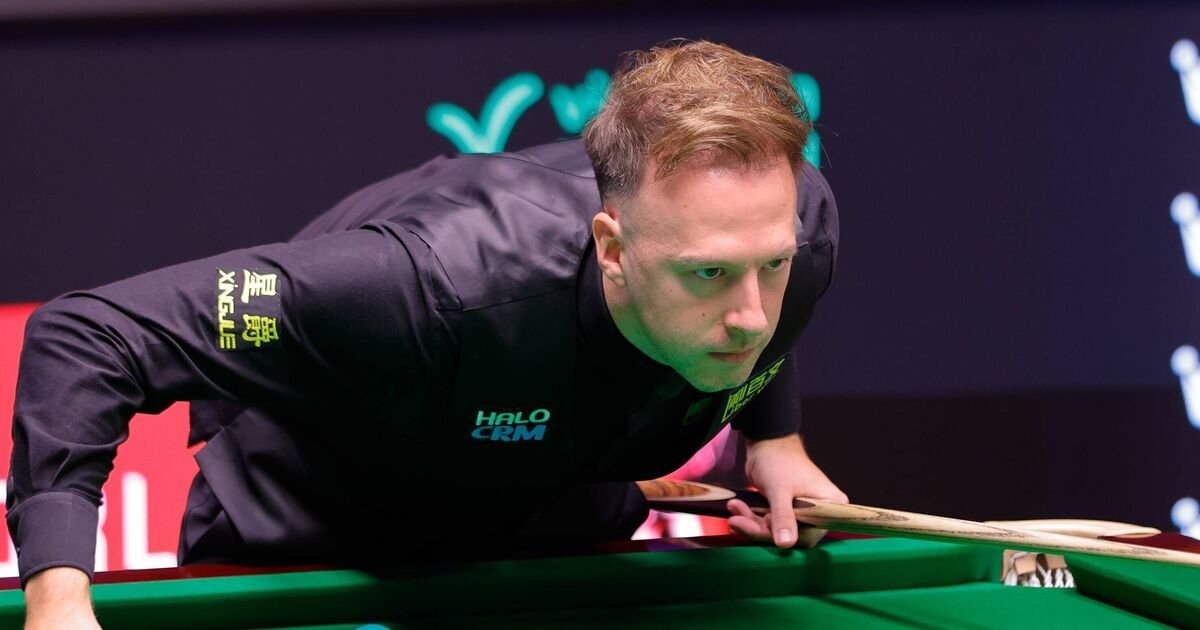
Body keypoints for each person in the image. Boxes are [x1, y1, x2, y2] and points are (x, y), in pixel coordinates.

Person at [8, 40, 848, 628]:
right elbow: (90, 334)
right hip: (320, 519)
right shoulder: (422, 287)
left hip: (540, 514)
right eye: (707, 273)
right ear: (613, 249)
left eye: (770, 265)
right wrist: (59, 598)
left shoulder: (793, 236)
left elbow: (750, 289)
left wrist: (776, 441)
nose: (752, 314)